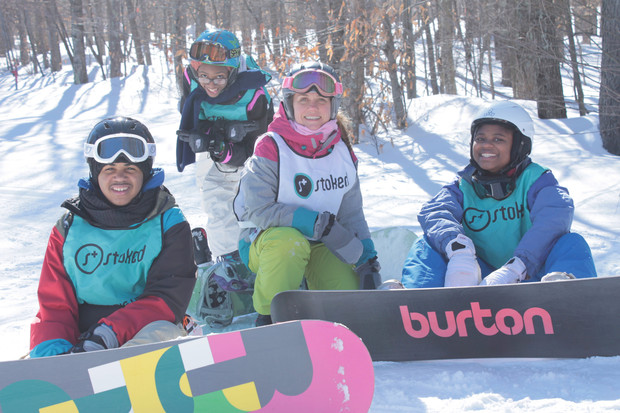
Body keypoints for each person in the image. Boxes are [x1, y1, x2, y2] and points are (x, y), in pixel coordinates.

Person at [29, 117, 197, 358]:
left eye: (131, 169)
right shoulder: (68, 228)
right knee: (47, 354)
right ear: (95, 172)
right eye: (109, 169)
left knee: (161, 334)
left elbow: (167, 298)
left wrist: (107, 334)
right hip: (79, 341)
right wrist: (57, 358)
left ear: (145, 173)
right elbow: (54, 305)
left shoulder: (167, 222)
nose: (120, 177)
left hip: (142, 331)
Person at [233, 61, 382, 327]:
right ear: (290, 103)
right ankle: (268, 319)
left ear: (333, 105)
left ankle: (337, 330)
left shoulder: (341, 150)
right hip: (267, 243)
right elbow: (259, 210)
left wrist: (367, 259)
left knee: (347, 299)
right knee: (288, 243)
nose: (313, 108)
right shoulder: (271, 146)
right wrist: (314, 223)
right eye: (304, 99)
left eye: (321, 100)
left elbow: (351, 213)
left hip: (322, 243)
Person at [401, 100, 597, 288]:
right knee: (427, 244)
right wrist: (459, 251)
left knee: (572, 243)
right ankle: (416, 302)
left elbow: (554, 218)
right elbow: (435, 212)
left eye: (498, 139)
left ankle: (566, 294)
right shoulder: (463, 185)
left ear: (520, 145)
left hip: (531, 278)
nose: (486, 145)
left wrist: (518, 267)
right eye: (480, 139)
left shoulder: (537, 180)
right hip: (477, 278)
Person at [175, 29, 273, 326]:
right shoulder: (191, 80)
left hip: (249, 156)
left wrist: (232, 150)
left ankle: (257, 264)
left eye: (219, 77)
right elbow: (190, 113)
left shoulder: (254, 94)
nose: (211, 84)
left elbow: (262, 144)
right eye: (204, 75)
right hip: (214, 156)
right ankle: (223, 263)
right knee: (218, 208)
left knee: (250, 212)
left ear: (232, 70)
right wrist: (204, 138)